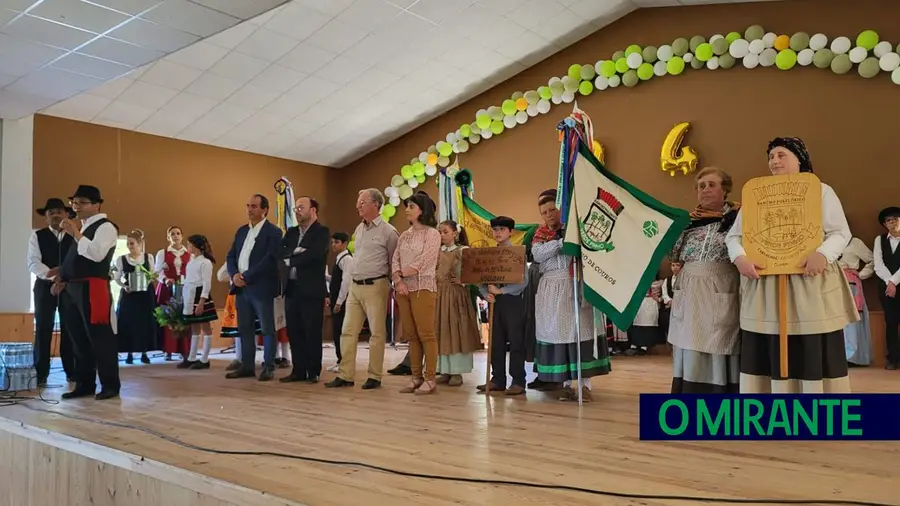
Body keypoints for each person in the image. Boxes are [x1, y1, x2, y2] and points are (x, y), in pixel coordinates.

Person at [727, 137, 857, 393]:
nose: (774, 161)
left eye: (781, 155)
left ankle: (816, 405)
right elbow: (734, 236)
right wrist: (739, 257)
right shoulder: (754, 195)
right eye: (771, 156)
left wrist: (823, 254)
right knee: (768, 343)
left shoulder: (821, 190)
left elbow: (840, 232)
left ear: (800, 159)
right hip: (766, 284)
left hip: (809, 280)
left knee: (811, 343)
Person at [668, 167, 742, 393]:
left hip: (721, 287)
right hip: (689, 291)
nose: (705, 190)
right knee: (689, 344)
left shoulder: (738, 219)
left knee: (719, 341)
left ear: (725, 190)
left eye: (711, 185)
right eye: (701, 186)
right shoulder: (687, 222)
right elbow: (673, 253)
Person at [531, 192, 609, 402]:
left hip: (576, 284)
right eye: (544, 212)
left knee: (579, 332)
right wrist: (560, 243)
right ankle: (565, 384)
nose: (549, 215)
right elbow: (537, 255)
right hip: (551, 289)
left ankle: (585, 385)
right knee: (559, 333)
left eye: (552, 210)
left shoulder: (577, 228)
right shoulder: (540, 233)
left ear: (561, 209)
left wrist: (569, 238)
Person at [325, 189, 399, 390]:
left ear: (375, 204)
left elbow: (395, 262)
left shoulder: (389, 232)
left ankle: (375, 376)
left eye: (362, 202)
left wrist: (395, 285)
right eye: (358, 202)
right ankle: (345, 375)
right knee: (347, 332)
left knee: (376, 333)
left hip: (376, 286)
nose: (358, 206)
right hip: (355, 287)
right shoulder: (359, 228)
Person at [57, 185, 121, 400]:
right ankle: (84, 384)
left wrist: (75, 233)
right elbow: (75, 260)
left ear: (97, 205)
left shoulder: (106, 227)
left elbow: (96, 254)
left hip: (93, 287)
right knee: (78, 338)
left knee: (100, 337)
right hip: (73, 288)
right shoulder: (83, 228)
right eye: (74, 202)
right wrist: (61, 275)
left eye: (82, 203)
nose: (76, 206)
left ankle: (110, 385)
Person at [226, 194, 284, 381]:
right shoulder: (242, 231)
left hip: (261, 287)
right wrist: (235, 275)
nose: (249, 209)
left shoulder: (273, 232)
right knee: (245, 328)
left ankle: (268, 366)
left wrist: (246, 276)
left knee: (267, 328)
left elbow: (269, 260)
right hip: (241, 288)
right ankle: (248, 366)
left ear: (264, 210)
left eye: (254, 206)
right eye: (248, 205)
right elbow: (231, 256)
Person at [392, 191, 441, 395]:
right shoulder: (404, 235)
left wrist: (403, 273)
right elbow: (395, 258)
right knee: (411, 335)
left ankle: (430, 378)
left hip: (423, 287)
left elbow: (426, 260)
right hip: (404, 289)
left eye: (412, 206)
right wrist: (397, 279)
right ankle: (415, 377)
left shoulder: (433, 234)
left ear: (423, 210)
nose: (407, 210)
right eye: (407, 206)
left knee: (426, 334)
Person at [279, 197, 330, 384]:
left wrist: (291, 259)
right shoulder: (291, 232)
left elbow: (315, 255)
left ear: (313, 210)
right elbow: (280, 251)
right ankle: (298, 370)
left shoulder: (321, 232)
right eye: (296, 208)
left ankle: (313, 370)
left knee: (312, 331)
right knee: (294, 331)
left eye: (301, 207)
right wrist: (297, 252)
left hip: (311, 289)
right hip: (291, 288)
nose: (297, 211)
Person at [477, 216, 529, 395]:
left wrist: (502, 291)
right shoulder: (489, 254)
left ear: (510, 232)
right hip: (494, 303)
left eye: (502, 229)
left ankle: (518, 381)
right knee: (496, 343)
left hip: (512, 301)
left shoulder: (517, 254)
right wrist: (486, 294)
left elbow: (523, 282)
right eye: (495, 229)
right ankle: (497, 379)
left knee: (516, 342)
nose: (498, 233)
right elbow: (481, 280)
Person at [28, 197, 76, 385]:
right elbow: (33, 262)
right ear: (46, 217)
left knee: (69, 328)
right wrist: (53, 276)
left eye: (59, 212)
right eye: (51, 213)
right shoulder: (37, 236)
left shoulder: (75, 237)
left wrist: (64, 278)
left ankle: (72, 371)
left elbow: (78, 262)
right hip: (43, 287)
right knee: (43, 328)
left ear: (66, 215)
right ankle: (40, 373)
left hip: (70, 287)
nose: (55, 215)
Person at [434, 220, 482, 387]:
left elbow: (476, 271)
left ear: (455, 233)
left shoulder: (463, 251)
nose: (441, 235)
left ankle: (457, 372)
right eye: (440, 232)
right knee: (441, 330)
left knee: (456, 331)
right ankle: (444, 370)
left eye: (445, 231)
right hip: (439, 295)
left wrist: (464, 280)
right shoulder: (437, 251)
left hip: (455, 296)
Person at [112, 229, 156, 365]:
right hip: (129, 294)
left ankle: (144, 352)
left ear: (139, 244)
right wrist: (125, 286)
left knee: (144, 322)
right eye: (128, 244)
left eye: (132, 243)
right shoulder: (122, 259)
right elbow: (117, 277)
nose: (129, 246)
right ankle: (129, 353)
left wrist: (145, 283)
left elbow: (152, 274)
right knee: (128, 322)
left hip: (145, 295)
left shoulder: (148, 257)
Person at [181, 234, 218, 369]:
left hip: (200, 294)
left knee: (205, 327)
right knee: (194, 327)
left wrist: (202, 301)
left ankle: (204, 359)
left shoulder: (205, 262)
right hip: (190, 294)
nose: (187, 247)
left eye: (189, 244)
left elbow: (206, 283)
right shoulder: (192, 261)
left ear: (196, 246)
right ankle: (192, 357)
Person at [154, 226, 191, 362]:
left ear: (182, 236)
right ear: (168, 237)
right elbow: (157, 271)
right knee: (168, 318)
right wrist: (165, 279)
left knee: (184, 317)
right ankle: (168, 350)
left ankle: (184, 349)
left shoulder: (189, 254)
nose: (175, 236)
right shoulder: (162, 253)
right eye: (172, 234)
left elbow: (192, 271)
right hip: (167, 288)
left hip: (184, 288)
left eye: (178, 233)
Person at [839, 235, 874, 366]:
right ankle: (836, 356)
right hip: (830, 282)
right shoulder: (825, 241)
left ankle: (852, 357)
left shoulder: (854, 242)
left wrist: (861, 274)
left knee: (852, 319)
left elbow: (872, 260)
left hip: (850, 282)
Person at [874, 206, 900, 370]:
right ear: (884, 224)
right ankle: (893, 358)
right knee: (891, 322)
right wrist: (888, 282)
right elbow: (878, 264)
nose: (892, 223)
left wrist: (893, 282)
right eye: (888, 220)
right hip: (886, 288)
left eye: (896, 219)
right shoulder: (880, 240)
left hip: (892, 285)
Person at [325, 232, 352, 373]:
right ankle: (339, 360)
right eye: (332, 242)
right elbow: (336, 280)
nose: (333, 245)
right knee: (337, 332)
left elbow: (346, 282)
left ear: (345, 244)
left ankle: (344, 361)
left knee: (341, 332)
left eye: (336, 242)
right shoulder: (338, 259)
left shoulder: (347, 259)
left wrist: (339, 302)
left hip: (342, 301)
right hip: (336, 299)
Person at [659, 261, 681, 340]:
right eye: (673, 265)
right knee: (665, 319)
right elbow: (664, 294)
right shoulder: (667, 280)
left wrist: (676, 302)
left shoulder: (685, 280)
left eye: (677, 265)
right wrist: (670, 301)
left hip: (681, 306)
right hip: (670, 306)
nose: (675, 267)